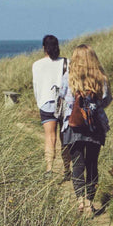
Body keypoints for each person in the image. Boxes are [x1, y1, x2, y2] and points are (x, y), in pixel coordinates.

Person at [59, 44, 112, 215]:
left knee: (78, 164)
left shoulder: (68, 77)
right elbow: (106, 100)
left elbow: (64, 98)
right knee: (92, 164)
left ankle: (80, 200)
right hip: (94, 125)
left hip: (73, 125)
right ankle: (90, 201)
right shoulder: (101, 78)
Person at [31, 35, 69, 177]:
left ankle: (49, 169)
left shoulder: (37, 64)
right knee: (65, 138)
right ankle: (67, 169)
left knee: (49, 137)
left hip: (46, 103)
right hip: (64, 103)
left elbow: (36, 86)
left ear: (43, 48)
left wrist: (39, 101)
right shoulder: (67, 62)